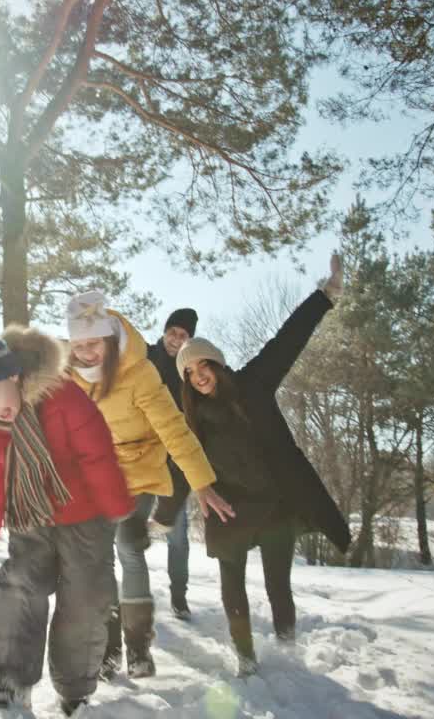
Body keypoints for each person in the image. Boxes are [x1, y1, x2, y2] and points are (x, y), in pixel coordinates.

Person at [174, 255, 353, 677]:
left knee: (277, 581)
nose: (199, 375)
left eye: (204, 365)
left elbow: (288, 339)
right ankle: (245, 657)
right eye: (190, 371)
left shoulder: (253, 384)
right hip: (229, 505)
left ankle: (287, 649)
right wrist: (192, 493)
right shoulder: (190, 418)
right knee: (231, 581)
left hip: (275, 503)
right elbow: (180, 458)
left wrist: (325, 297)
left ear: (216, 363)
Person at [0, 316, 134, 716]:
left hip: (86, 516)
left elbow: (97, 454)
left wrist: (119, 510)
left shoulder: (63, 396)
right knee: (18, 584)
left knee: (84, 598)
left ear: (13, 374)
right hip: (31, 518)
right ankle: (9, 683)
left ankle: (74, 691)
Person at [65, 291, 234, 680]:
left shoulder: (138, 373)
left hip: (139, 469)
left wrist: (202, 483)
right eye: (78, 346)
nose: (86, 353)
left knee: (127, 545)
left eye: (93, 344)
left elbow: (174, 429)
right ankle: (108, 648)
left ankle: (138, 645)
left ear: (108, 339)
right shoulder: (68, 374)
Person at [146, 307, 199, 620]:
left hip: (173, 464)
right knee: (130, 532)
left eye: (183, 336)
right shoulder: (146, 356)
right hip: (140, 456)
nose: (175, 339)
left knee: (177, 533)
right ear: (164, 331)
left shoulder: (190, 371)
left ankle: (179, 596)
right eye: (172, 332)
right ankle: (133, 593)